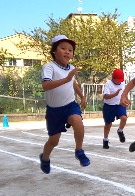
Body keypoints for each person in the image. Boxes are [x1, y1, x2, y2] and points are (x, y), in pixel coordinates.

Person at [39, 35, 90, 174]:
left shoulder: (71, 68)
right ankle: (45, 158)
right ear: (54, 51)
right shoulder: (49, 67)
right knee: (54, 141)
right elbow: (46, 85)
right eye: (63, 48)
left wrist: (82, 96)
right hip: (54, 111)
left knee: (78, 121)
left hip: (69, 105)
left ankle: (79, 151)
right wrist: (66, 78)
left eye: (70, 50)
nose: (67, 52)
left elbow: (73, 83)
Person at [102, 68, 128, 149]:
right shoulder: (108, 84)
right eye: (118, 80)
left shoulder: (122, 83)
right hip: (109, 106)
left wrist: (127, 99)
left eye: (121, 80)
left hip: (119, 104)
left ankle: (120, 131)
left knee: (124, 118)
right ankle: (105, 139)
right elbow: (106, 96)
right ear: (113, 78)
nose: (119, 82)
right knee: (108, 124)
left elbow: (124, 93)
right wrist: (115, 94)